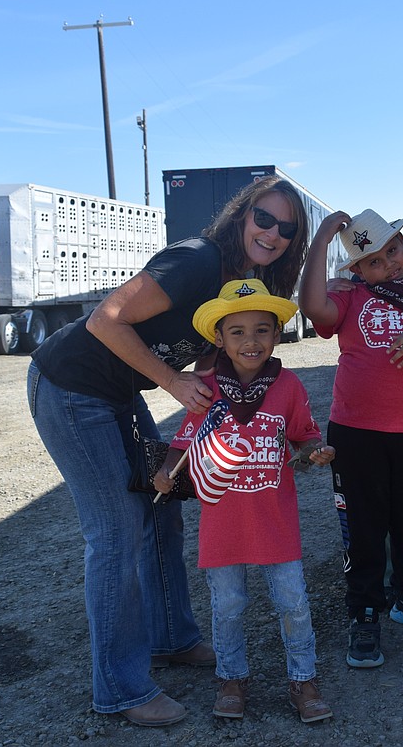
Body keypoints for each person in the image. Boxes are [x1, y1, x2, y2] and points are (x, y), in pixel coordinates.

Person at [26, 175, 309, 726]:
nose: (272, 233)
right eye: (264, 218)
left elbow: (210, 358)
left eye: (287, 229)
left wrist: (238, 401)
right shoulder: (199, 259)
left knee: (162, 511)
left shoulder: (240, 280)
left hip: (117, 390)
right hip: (70, 386)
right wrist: (172, 384)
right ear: (242, 215)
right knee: (115, 532)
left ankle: (172, 638)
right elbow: (106, 318)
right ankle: (120, 688)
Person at [153, 278, 335, 723]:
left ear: (277, 335)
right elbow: (183, 441)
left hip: (275, 519)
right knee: (228, 605)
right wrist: (165, 471)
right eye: (237, 332)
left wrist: (315, 452)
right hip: (223, 522)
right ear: (219, 338)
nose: (250, 341)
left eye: (261, 330)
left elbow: (305, 436)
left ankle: (303, 680)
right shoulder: (203, 388)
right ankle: (232, 679)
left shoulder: (289, 386)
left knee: (293, 601)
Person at [299, 208, 403, 669]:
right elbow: (313, 307)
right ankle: (365, 612)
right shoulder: (352, 297)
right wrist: (321, 241)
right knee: (365, 528)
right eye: (373, 260)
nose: (389, 263)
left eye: (393, 250)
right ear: (357, 269)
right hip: (357, 434)